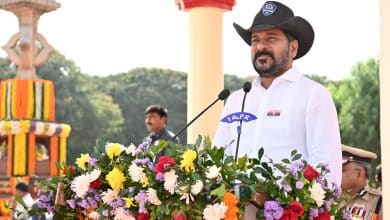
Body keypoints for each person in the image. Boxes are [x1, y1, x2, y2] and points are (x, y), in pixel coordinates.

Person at [212, 2, 342, 218]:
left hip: (287, 213)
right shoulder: (236, 99)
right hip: (232, 211)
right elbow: (216, 160)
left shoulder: (313, 95)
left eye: (271, 39)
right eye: (255, 40)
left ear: (292, 48)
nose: (261, 47)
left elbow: (326, 168)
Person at [341, 145, 382, 220]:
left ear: (360, 174)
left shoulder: (380, 202)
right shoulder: (329, 198)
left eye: (342, 170)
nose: (336, 174)